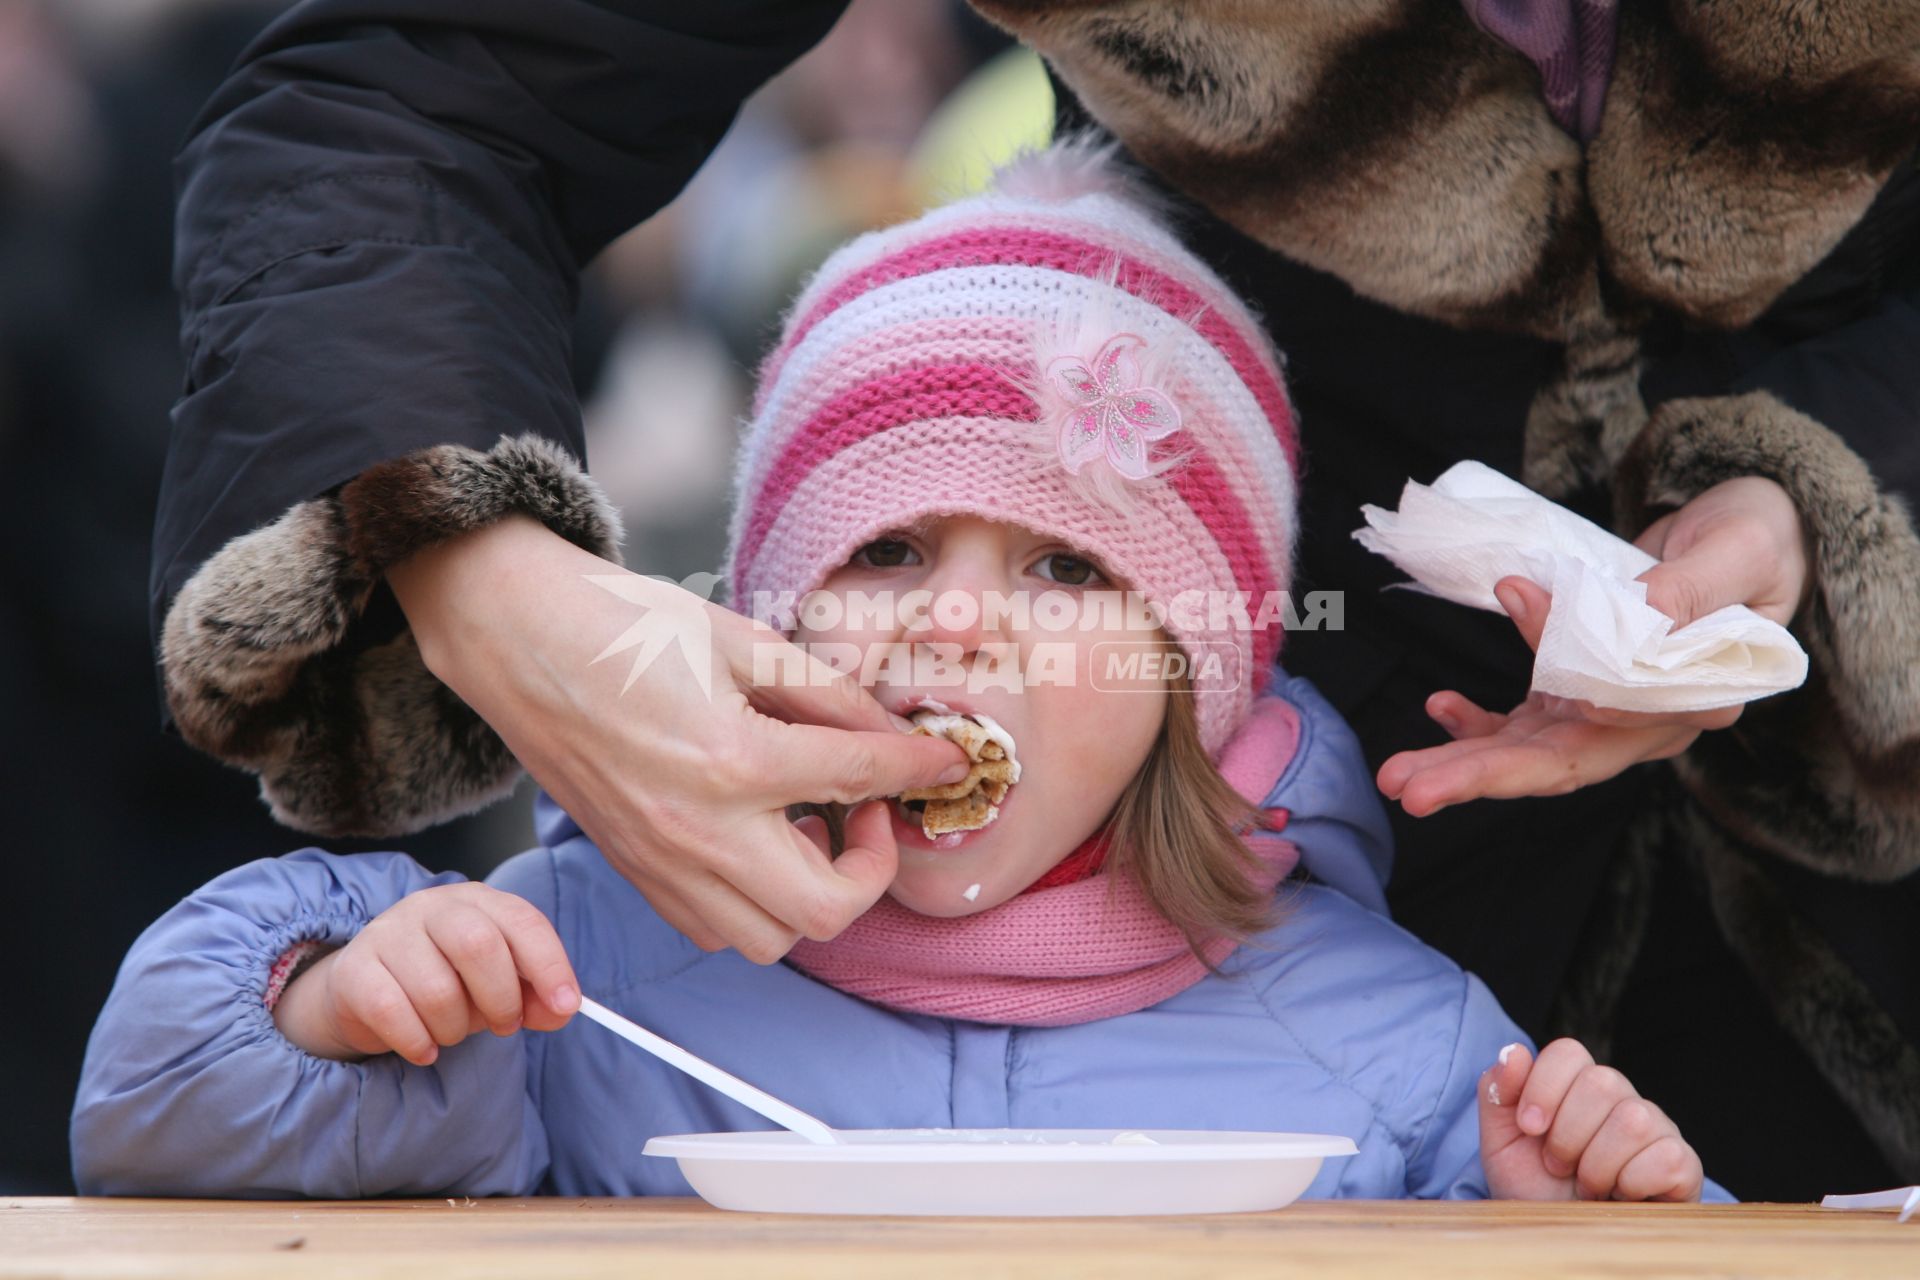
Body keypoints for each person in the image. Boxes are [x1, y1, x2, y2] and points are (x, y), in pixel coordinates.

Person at [149, 1, 1920, 1198]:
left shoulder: (1393, 1034)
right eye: (886, 550)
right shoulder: (588, 973)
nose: (967, 624)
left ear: (1201, 677)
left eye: (1067, 568)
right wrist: (475, 574)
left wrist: (1820, 500)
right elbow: (410, 90)